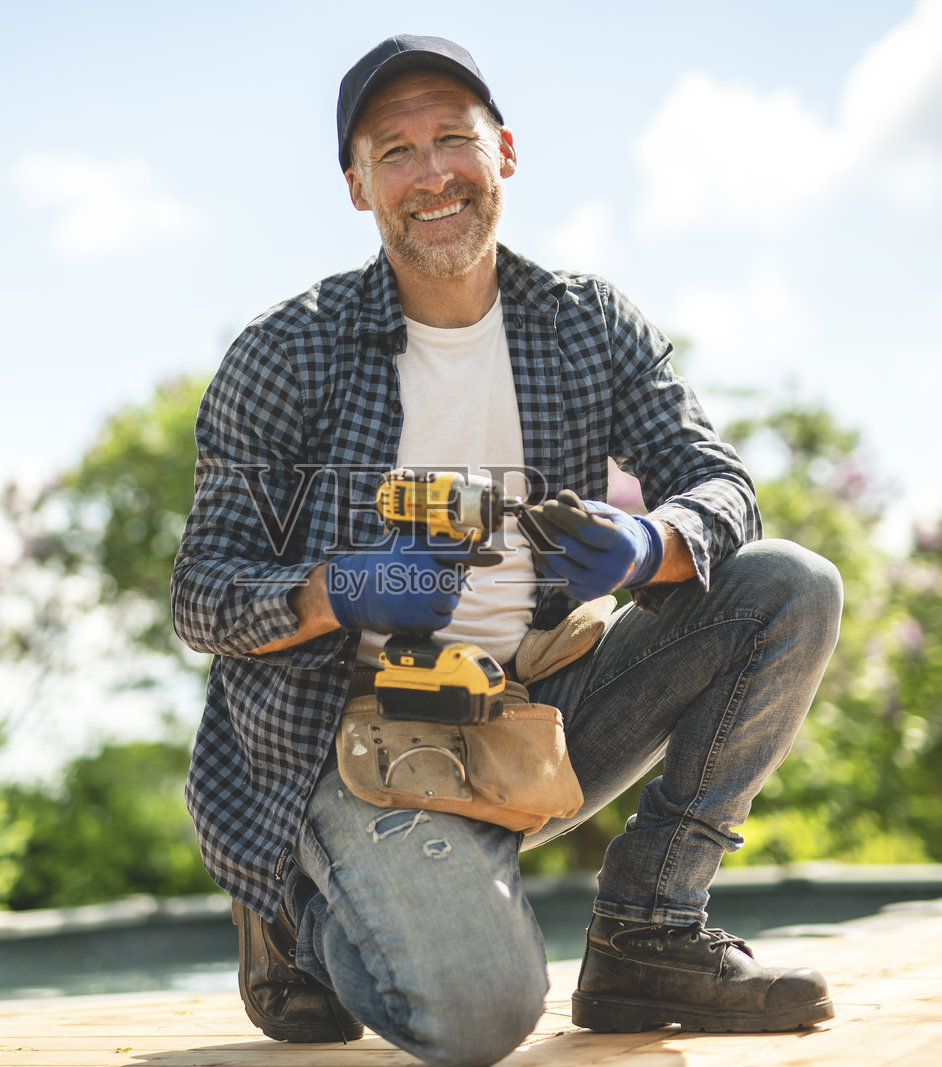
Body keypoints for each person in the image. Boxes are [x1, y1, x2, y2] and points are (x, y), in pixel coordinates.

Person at [171, 34, 844, 1067]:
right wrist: (337, 588)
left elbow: (723, 486)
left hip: (527, 716)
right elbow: (200, 595)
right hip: (345, 742)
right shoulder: (286, 351)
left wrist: (649, 541)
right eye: (393, 152)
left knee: (788, 587)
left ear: (505, 153)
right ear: (356, 186)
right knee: (484, 1018)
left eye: (452, 138)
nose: (430, 171)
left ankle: (647, 937)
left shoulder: (585, 324)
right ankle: (296, 912)